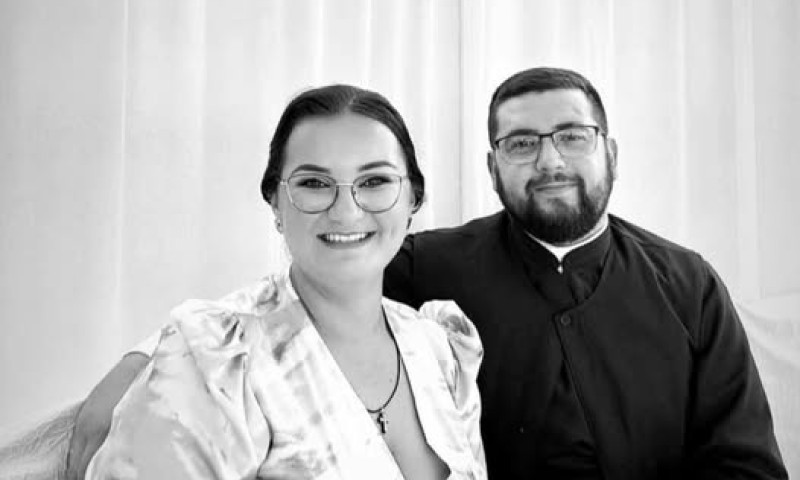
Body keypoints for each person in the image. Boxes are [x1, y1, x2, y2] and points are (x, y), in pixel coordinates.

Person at [69, 68, 787, 479]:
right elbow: (303, 295)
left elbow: (744, 465)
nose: (549, 160)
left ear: (611, 153)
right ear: (491, 166)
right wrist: (149, 359)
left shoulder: (688, 285)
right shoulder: (434, 270)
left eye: (573, 136)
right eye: (521, 143)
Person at [77, 84, 486, 479]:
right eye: (314, 184)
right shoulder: (216, 358)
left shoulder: (440, 352)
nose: (346, 211)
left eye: (375, 181)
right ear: (275, 202)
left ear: (413, 198)